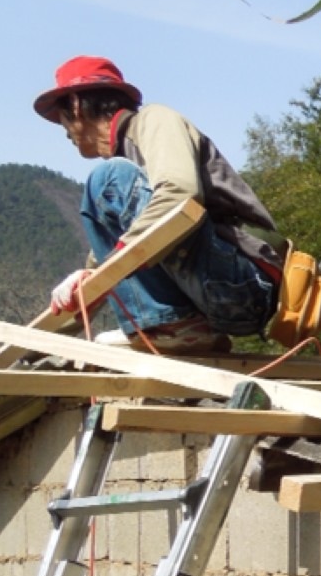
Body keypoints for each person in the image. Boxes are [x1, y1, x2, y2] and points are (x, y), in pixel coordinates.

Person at [34, 56, 282, 354]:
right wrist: (26, 349)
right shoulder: (130, 197)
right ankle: (178, 326)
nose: (64, 132)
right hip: (220, 295)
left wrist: (113, 265)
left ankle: (170, 325)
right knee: (108, 239)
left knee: (108, 179)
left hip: (245, 284)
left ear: (74, 105)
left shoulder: (153, 122)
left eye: (60, 118)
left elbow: (180, 194)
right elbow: (99, 279)